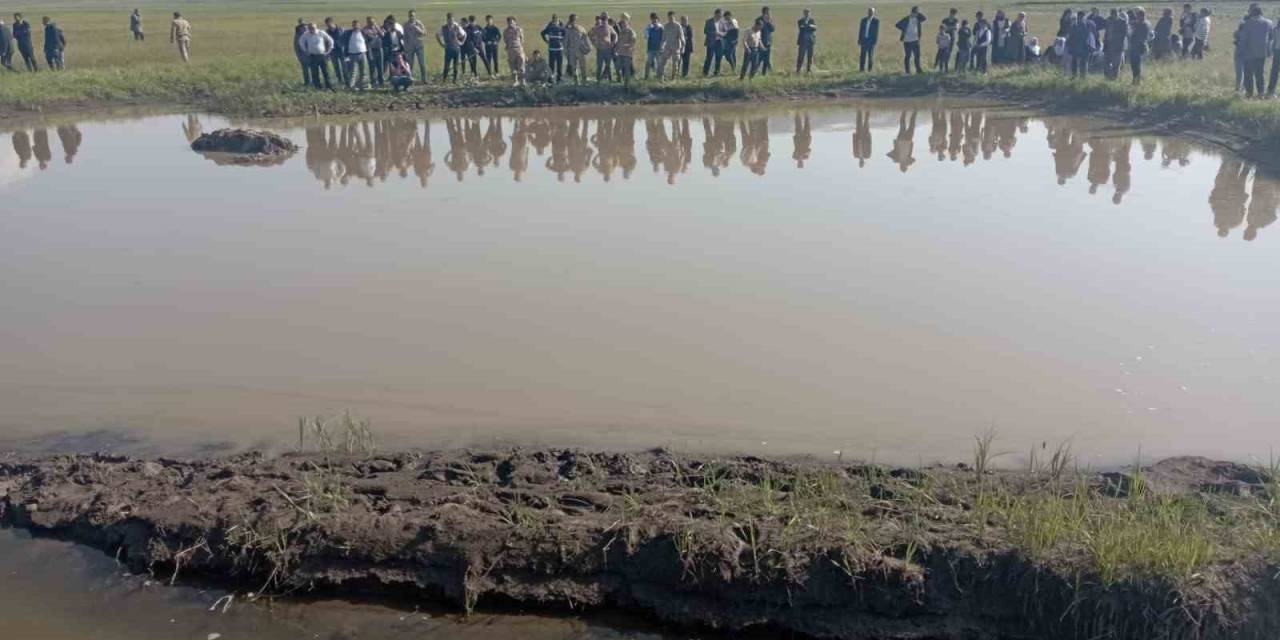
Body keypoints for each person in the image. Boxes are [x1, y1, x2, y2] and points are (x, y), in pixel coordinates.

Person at [1239, 4, 1273, 98]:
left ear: (1252, 12)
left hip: (1249, 52)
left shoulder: (1247, 23)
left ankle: (1249, 93)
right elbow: (1271, 37)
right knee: (1260, 73)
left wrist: (1241, 51)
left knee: (1248, 73)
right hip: (1262, 52)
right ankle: (1261, 93)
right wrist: (1269, 51)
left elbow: (1244, 39)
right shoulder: (1268, 22)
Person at [298, 22, 335, 89]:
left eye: (313, 28)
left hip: (322, 55)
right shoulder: (306, 34)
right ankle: (317, 87)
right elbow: (301, 42)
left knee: (326, 72)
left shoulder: (321, 33)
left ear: (316, 27)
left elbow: (330, 40)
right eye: (310, 28)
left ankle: (329, 86)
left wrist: (329, 50)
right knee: (315, 73)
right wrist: (305, 51)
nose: (311, 29)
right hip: (312, 56)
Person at [896, 6, 926, 74]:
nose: (916, 15)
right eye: (915, 13)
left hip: (916, 40)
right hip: (907, 41)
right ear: (912, 12)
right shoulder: (906, 19)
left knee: (917, 55)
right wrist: (904, 29)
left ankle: (918, 70)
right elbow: (897, 25)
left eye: (916, 13)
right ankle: (907, 71)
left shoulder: (918, 19)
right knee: (908, 56)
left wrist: (918, 13)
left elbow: (924, 18)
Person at [564, 13, 590, 84]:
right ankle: (576, 82)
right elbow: (565, 42)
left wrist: (588, 48)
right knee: (573, 67)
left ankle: (584, 81)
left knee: (583, 66)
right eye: (572, 20)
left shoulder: (580, 28)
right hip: (571, 50)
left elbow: (585, 38)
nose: (573, 21)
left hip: (580, 50)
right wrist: (566, 52)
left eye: (574, 19)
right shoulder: (568, 30)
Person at [1129, 8, 1152, 84]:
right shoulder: (1144, 23)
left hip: (1139, 46)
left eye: (1137, 15)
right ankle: (1135, 80)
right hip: (1137, 46)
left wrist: (1134, 28)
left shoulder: (1143, 24)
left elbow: (1141, 36)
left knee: (1136, 65)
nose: (1136, 17)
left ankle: (1137, 81)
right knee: (1134, 64)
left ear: (1140, 16)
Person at [589, 14, 616, 82]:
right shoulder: (597, 28)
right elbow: (590, 34)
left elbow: (615, 35)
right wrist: (593, 43)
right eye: (603, 19)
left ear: (607, 20)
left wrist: (613, 43)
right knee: (599, 66)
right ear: (601, 20)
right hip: (600, 50)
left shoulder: (610, 27)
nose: (604, 21)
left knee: (608, 66)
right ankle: (598, 80)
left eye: (605, 19)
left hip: (608, 50)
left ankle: (610, 80)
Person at [438, 13, 464, 83]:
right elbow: (437, 35)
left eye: (452, 20)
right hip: (448, 49)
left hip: (456, 49)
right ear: (447, 19)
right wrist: (441, 44)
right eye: (449, 20)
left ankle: (454, 80)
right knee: (446, 66)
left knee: (455, 66)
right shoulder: (443, 27)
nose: (451, 21)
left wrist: (461, 42)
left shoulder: (457, 27)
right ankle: (444, 79)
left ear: (453, 19)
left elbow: (464, 34)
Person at [1103, 9, 1128, 80]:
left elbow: (1124, 34)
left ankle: (1114, 79)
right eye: (1112, 15)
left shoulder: (1122, 22)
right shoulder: (1108, 21)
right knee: (1106, 64)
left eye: (1114, 15)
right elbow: (1106, 33)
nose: (1113, 16)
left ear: (1117, 14)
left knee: (1116, 65)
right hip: (1108, 46)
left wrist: (1114, 35)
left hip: (1117, 47)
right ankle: (1107, 78)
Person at [404, 10, 427, 84]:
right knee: (410, 64)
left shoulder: (419, 23)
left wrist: (419, 30)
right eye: (410, 15)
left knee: (422, 63)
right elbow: (404, 37)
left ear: (415, 16)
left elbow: (425, 33)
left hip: (419, 46)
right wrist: (405, 47)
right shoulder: (406, 25)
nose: (411, 17)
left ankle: (424, 79)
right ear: (408, 16)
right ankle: (409, 79)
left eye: (413, 15)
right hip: (410, 47)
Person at [344, 19, 368, 89]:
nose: (355, 27)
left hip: (362, 53)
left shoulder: (363, 32)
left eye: (357, 25)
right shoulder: (348, 33)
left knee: (363, 71)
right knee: (353, 72)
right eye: (354, 25)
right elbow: (341, 41)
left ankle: (362, 85)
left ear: (359, 26)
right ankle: (351, 86)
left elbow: (370, 39)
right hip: (352, 55)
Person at [540, 15, 564, 83]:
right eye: (554, 21)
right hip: (552, 49)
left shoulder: (561, 28)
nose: (555, 22)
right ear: (552, 21)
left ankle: (559, 77)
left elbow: (565, 35)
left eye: (556, 21)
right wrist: (546, 41)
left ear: (558, 21)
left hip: (560, 49)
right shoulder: (549, 28)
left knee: (560, 64)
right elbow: (542, 33)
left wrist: (562, 41)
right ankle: (551, 78)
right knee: (551, 64)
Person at [503, 16, 526, 86]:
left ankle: (523, 81)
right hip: (511, 50)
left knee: (521, 66)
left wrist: (521, 48)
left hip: (519, 49)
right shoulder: (506, 31)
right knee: (513, 66)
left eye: (512, 22)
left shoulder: (519, 29)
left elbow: (522, 39)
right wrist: (508, 46)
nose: (510, 24)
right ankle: (515, 81)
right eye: (509, 22)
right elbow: (505, 40)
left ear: (515, 22)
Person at [324, 17, 346, 85]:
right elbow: (326, 43)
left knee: (344, 66)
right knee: (336, 67)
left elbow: (346, 39)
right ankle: (340, 81)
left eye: (329, 24)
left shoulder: (341, 29)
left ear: (332, 22)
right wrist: (327, 53)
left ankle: (347, 80)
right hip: (333, 51)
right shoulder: (326, 32)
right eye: (327, 24)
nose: (329, 26)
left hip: (342, 50)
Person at [614, 14, 635, 83]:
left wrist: (625, 45)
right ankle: (619, 79)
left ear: (627, 23)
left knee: (627, 70)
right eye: (622, 24)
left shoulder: (631, 32)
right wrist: (616, 49)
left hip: (627, 54)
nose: (623, 25)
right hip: (620, 53)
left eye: (624, 24)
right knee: (617, 68)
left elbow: (633, 43)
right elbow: (618, 42)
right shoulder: (621, 32)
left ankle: (627, 84)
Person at [363, 17, 384, 87]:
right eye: (369, 22)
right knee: (372, 66)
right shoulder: (365, 29)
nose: (371, 23)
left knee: (380, 66)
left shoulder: (377, 27)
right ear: (367, 22)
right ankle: (373, 81)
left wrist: (377, 27)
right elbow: (365, 40)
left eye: (372, 22)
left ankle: (381, 81)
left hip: (379, 49)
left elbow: (382, 35)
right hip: (371, 50)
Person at [703, 8, 724, 75]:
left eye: (720, 16)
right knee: (709, 57)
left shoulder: (722, 22)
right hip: (711, 42)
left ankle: (716, 72)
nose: (719, 17)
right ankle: (705, 73)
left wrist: (722, 34)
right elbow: (705, 31)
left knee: (719, 57)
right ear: (715, 14)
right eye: (718, 15)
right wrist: (713, 33)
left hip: (719, 42)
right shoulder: (709, 21)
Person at [796, 7, 817, 73]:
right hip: (803, 42)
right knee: (801, 56)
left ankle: (809, 70)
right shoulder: (800, 21)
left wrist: (808, 26)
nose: (807, 13)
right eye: (806, 12)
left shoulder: (812, 20)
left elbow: (814, 29)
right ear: (803, 13)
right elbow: (802, 28)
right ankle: (798, 70)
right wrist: (810, 26)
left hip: (810, 41)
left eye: (808, 12)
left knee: (810, 56)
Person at [643, 13, 663, 79]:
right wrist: (647, 29)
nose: (654, 21)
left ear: (658, 20)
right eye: (652, 20)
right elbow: (646, 37)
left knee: (659, 64)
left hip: (659, 49)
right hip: (651, 49)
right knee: (648, 64)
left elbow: (664, 39)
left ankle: (659, 77)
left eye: (655, 20)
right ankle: (646, 77)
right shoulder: (649, 28)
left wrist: (662, 47)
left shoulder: (661, 28)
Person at [758, 6, 775, 74]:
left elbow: (773, 29)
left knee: (767, 58)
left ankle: (765, 73)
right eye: (768, 12)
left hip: (768, 41)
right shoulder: (758, 20)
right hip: (760, 41)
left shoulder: (769, 20)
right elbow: (758, 30)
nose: (769, 13)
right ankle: (754, 71)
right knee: (759, 58)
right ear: (765, 12)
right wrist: (765, 22)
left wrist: (769, 22)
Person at [1269, 15, 1280, 97]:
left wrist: (1271, 51)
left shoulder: (1275, 29)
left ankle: (1271, 90)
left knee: (1274, 72)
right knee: (1274, 72)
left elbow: (1272, 41)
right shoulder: (1275, 29)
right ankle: (1271, 90)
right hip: (1277, 51)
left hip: (1277, 51)